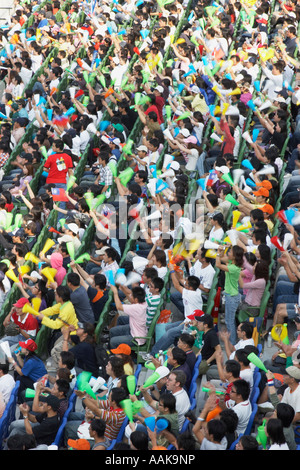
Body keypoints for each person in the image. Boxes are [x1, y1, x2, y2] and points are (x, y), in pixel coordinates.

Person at [215, 245, 244, 345]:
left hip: (232, 297)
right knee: (228, 320)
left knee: (229, 321)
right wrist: (223, 249)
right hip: (230, 295)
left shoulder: (233, 267)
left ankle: (232, 343)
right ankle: (231, 342)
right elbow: (222, 258)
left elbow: (218, 264)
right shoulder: (232, 263)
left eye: (230, 252)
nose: (229, 253)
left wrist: (218, 253)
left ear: (235, 256)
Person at [109, 285, 147, 350]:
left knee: (112, 341)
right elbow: (131, 300)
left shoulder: (136, 308)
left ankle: (117, 356)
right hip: (135, 330)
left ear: (136, 299)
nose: (130, 296)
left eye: (132, 295)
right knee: (113, 331)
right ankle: (119, 348)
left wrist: (115, 293)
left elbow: (119, 307)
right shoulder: (143, 302)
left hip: (136, 338)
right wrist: (123, 288)